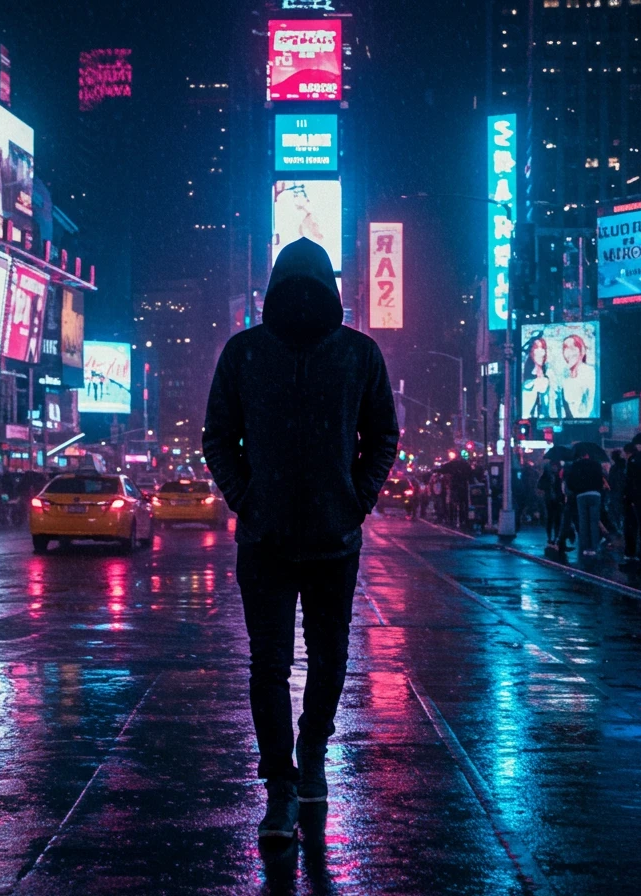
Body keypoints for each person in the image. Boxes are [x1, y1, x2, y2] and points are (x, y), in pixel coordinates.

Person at [202, 237, 399, 840]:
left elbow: (382, 439)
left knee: (328, 659)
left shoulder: (359, 355)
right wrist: (248, 500)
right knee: (270, 665)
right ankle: (282, 785)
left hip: (332, 540)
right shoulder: (245, 354)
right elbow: (219, 439)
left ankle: (310, 751)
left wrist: (353, 503)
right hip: (266, 541)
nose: (306, 298)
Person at [566, 448, 606, 557]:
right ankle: (594, 547)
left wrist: (576, 489)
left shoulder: (576, 466)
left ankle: (585, 548)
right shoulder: (596, 465)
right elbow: (601, 479)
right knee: (594, 521)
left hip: (581, 495)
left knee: (583, 522)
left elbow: (570, 482)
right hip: (595, 494)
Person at [622, 443, 641, 569]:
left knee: (631, 525)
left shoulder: (633, 462)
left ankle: (631, 552)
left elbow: (631, 481)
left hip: (634, 498)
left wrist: (628, 496)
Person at [554, 334, 596, 419]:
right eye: (566, 348)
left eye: (573, 347)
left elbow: (588, 408)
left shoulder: (589, 372)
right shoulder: (565, 377)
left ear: (582, 351)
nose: (569, 352)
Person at [521, 337, 552, 418]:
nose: (541, 352)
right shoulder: (528, 382)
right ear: (532, 352)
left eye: (542, 348)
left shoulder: (547, 376)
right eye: (537, 348)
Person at [538, 459, 565, 548]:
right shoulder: (551, 476)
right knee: (552, 518)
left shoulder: (557, 476)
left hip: (555, 498)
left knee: (555, 518)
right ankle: (552, 537)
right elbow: (540, 485)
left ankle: (555, 536)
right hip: (552, 498)